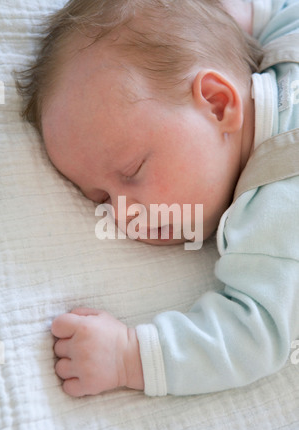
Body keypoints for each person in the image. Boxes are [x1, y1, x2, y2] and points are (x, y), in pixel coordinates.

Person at [16, 0, 299, 397]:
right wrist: (237, 16)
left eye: (132, 172)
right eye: (101, 198)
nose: (121, 214)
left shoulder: (275, 211)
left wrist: (130, 356)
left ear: (218, 105)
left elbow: (256, 332)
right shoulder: (289, 55)